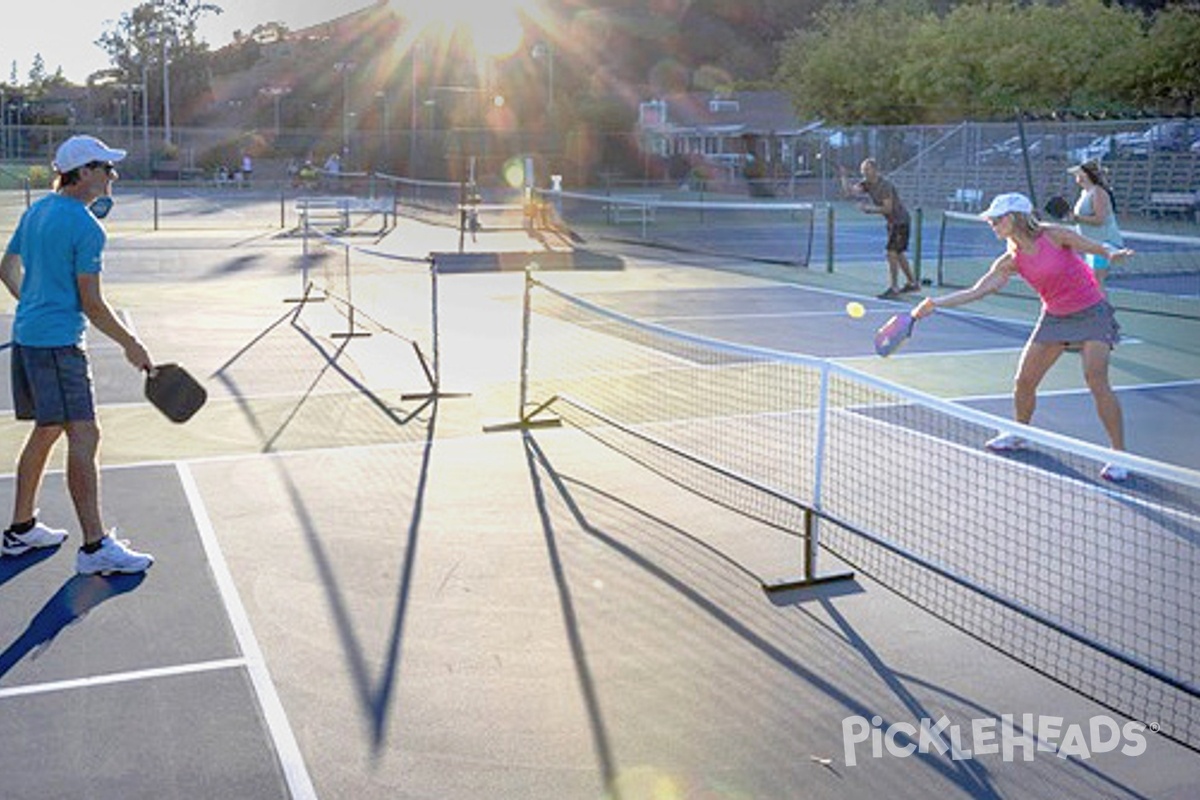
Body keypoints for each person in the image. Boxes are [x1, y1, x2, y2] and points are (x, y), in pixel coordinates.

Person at [0, 134, 155, 572]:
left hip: (29, 338)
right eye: (106, 168)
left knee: (48, 430)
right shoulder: (87, 227)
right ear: (84, 173)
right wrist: (131, 343)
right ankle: (94, 548)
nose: (113, 176)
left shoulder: (37, 211)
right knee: (85, 435)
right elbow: (92, 304)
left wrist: (32, 302)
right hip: (57, 346)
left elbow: (6, 269)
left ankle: (21, 528)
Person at [913, 192, 1135, 482]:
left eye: (996, 219)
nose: (991, 223)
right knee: (1024, 381)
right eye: (991, 219)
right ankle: (1019, 433)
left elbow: (1095, 247)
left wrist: (1110, 253)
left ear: (1014, 218)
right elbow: (977, 290)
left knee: (1096, 379)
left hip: (1091, 312)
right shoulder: (1010, 261)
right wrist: (935, 304)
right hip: (1055, 316)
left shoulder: (1053, 236)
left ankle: (1119, 455)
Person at [845, 158, 919, 299]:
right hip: (892, 222)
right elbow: (850, 192)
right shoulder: (866, 184)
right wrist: (843, 176)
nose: (864, 172)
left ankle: (894, 287)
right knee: (898, 253)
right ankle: (912, 283)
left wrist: (869, 209)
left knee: (891, 252)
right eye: (862, 170)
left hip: (900, 221)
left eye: (867, 169)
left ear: (874, 170)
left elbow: (888, 208)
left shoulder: (885, 186)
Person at [1067, 160, 1122, 284]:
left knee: (1096, 281)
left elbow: (1100, 220)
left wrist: (1076, 218)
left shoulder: (1098, 192)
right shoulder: (1085, 193)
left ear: (1086, 175)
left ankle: (1101, 304)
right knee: (1092, 281)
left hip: (1105, 244)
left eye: (1078, 173)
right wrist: (1073, 218)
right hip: (1092, 244)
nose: (1076, 177)